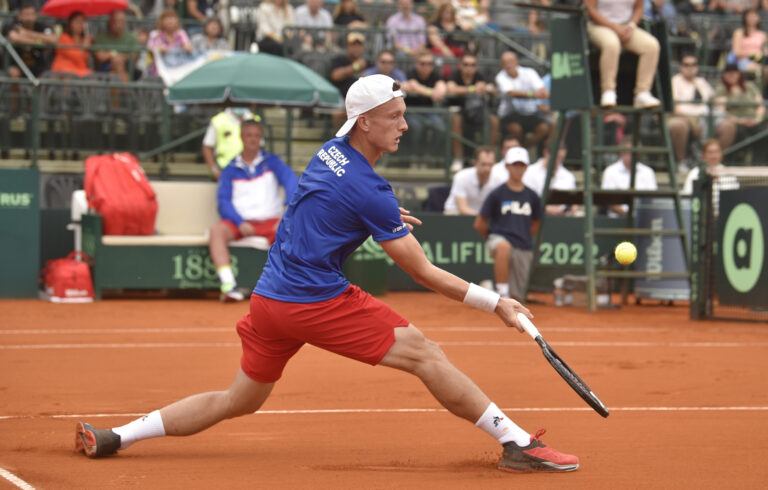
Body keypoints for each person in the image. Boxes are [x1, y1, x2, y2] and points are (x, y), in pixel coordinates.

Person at [74, 74, 580, 475]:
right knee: (426, 353)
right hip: (313, 300)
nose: (404, 125)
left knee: (238, 400)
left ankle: (120, 435)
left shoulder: (328, 153)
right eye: (394, 116)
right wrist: (498, 303)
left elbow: (326, 205)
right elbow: (422, 271)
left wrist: (380, 214)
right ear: (364, 122)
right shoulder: (369, 189)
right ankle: (516, 443)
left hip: (269, 301)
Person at [209, 119, 298, 302]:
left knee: (294, 231)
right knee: (216, 231)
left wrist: (286, 213)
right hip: (241, 223)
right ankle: (228, 286)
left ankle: (289, 289)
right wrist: (239, 222)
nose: (253, 139)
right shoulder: (230, 169)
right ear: (241, 137)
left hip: (270, 222)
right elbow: (223, 201)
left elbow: (292, 182)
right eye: (249, 135)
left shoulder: (272, 162)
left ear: (261, 138)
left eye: (257, 136)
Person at [474, 146, 542, 301]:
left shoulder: (532, 196)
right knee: (503, 247)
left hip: (523, 245)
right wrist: (492, 237)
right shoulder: (497, 193)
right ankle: (501, 292)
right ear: (507, 166)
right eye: (514, 165)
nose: (518, 169)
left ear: (526, 168)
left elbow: (536, 224)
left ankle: (489, 288)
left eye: (521, 165)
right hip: (499, 239)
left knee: (517, 298)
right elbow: (479, 224)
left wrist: (521, 235)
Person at [585, 0, 661, 109]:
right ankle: (608, 91)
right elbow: (590, 9)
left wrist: (631, 26)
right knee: (611, 44)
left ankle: (642, 93)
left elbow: (639, 8)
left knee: (651, 46)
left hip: (626, 28)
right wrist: (614, 27)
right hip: (598, 26)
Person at [447, 52, 498, 166]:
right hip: (458, 112)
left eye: (472, 65)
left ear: (476, 66)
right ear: (460, 65)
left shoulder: (479, 76)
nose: (469, 68)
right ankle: (458, 159)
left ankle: (488, 157)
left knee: (494, 120)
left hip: (477, 113)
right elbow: (451, 89)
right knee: (456, 119)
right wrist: (473, 89)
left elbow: (493, 89)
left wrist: (487, 88)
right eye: (466, 64)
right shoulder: (455, 75)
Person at [495, 51, 551, 152]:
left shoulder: (530, 72)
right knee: (516, 129)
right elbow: (511, 92)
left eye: (510, 61)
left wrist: (538, 93)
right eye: (505, 62)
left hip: (531, 113)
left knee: (544, 128)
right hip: (510, 114)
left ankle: (523, 149)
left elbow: (543, 91)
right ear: (502, 65)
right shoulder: (500, 77)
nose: (508, 64)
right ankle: (518, 152)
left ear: (517, 62)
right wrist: (533, 94)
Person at [667, 53, 714, 166]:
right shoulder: (675, 81)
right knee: (679, 126)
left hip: (703, 117)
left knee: (720, 123)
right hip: (681, 117)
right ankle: (681, 162)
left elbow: (712, 100)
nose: (690, 68)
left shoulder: (701, 82)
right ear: (680, 67)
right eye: (686, 65)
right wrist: (692, 121)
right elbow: (675, 108)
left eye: (693, 65)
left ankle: (709, 161)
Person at [403, 49, 448, 157]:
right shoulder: (411, 73)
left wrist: (434, 92)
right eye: (422, 63)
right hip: (411, 112)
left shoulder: (435, 75)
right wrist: (431, 92)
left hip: (429, 112)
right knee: (416, 127)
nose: (426, 67)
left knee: (440, 127)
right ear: (416, 64)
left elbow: (442, 88)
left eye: (430, 64)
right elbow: (413, 86)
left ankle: (428, 153)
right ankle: (413, 155)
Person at [600, 137, 658, 216]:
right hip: (617, 220)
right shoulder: (610, 171)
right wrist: (627, 214)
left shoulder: (648, 172)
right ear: (621, 152)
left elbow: (652, 200)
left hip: (643, 219)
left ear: (639, 153)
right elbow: (608, 201)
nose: (630, 155)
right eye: (627, 151)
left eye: (633, 152)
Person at [714, 63, 765, 151]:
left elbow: (760, 106)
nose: (732, 75)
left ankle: (759, 162)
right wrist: (741, 121)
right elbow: (721, 111)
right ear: (724, 75)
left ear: (739, 74)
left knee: (763, 133)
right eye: (729, 73)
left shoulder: (750, 86)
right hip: (735, 122)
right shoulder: (721, 89)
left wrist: (757, 119)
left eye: (734, 72)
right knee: (739, 133)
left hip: (754, 121)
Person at [681, 139, 738, 214]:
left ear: (721, 154)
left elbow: (735, 199)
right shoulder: (694, 173)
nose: (714, 156)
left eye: (716, 152)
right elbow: (688, 196)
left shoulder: (729, 174)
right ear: (703, 155)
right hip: (700, 214)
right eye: (710, 152)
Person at [2, 1, 57, 79]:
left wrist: (26, 33)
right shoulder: (13, 25)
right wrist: (39, 41)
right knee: (14, 73)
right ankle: (15, 92)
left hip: (37, 64)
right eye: (26, 15)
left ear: (35, 15)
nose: (29, 18)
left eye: (31, 14)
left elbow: (52, 39)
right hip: (18, 63)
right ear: (20, 16)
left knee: (49, 76)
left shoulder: (40, 26)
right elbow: (14, 37)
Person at [202, 108, 259, 180]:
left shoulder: (254, 118)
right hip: (224, 169)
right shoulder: (219, 120)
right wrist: (214, 171)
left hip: (251, 171)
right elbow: (207, 146)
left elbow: (259, 145)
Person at [522, 146, 577, 215]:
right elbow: (525, 198)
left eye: (561, 158)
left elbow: (574, 204)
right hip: (535, 216)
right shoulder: (529, 172)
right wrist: (546, 209)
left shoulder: (568, 176)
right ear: (546, 153)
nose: (557, 161)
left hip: (562, 218)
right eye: (556, 157)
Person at [444, 146, 498, 215]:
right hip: (456, 213)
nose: (487, 169)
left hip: (482, 216)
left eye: (490, 164)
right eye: (483, 164)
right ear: (475, 163)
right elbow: (462, 208)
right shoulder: (461, 176)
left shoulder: (499, 179)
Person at [92, 10, 142, 83]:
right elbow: (99, 57)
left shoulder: (132, 38)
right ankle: (124, 93)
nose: (117, 24)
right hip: (105, 67)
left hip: (127, 67)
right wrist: (114, 56)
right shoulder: (100, 37)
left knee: (117, 69)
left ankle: (117, 92)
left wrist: (116, 57)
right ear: (109, 22)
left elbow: (134, 56)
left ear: (125, 23)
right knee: (117, 68)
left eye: (120, 21)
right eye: (115, 21)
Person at [146, 9, 193, 76]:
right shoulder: (155, 34)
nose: (170, 21)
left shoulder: (181, 33)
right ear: (161, 21)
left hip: (179, 69)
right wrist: (158, 48)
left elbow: (188, 47)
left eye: (172, 18)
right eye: (167, 19)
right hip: (159, 70)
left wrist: (187, 47)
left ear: (177, 21)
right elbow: (149, 48)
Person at [50, 11, 92, 77]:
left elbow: (84, 61)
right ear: (70, 23)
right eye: (77, 21)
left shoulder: (85, 40)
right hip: (65, 71)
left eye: (82, 21)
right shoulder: (63, 38)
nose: (80, 24)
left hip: (81, 71)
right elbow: (77, 56)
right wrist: (85, 46)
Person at [329, 32, 369, 97]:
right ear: (347, 47)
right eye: (353, 45)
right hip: (342, 97)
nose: (356, 48)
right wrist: (356, 66)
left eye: (359, 45)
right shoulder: (340, 59)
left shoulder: (367, 62)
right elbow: (335, 76)